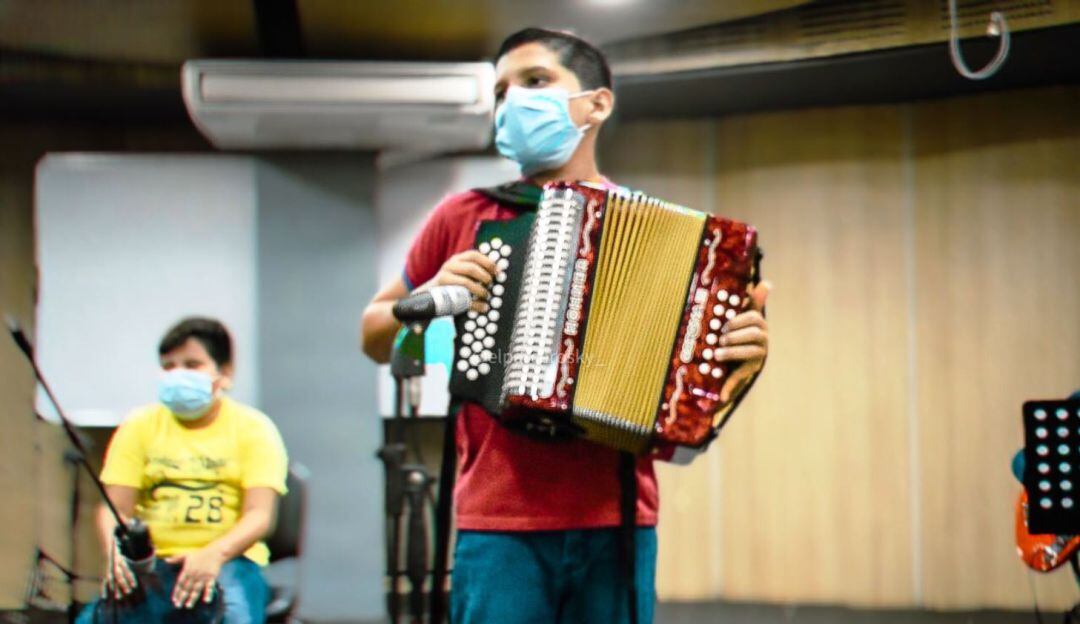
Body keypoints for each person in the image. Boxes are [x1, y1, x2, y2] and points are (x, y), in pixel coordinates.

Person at [361, 27, 770, 624]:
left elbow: (689, 412)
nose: (512, 102)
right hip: (498, 525)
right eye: (501, 92)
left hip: (617, 518)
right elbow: (373, 333)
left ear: (597, 103)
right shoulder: (464, 216)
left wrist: (737, 362)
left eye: (535, 81)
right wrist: (424, 298)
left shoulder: (665, 242)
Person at [78, 317, 288, 624]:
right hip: (153, 564)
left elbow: (259, 515)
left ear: (225, 373)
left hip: (231, 562)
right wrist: (114, 551)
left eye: (192, 364)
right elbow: (114, 508)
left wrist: (213, 554)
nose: (178, 375)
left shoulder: (255, 429)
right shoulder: (138, 426)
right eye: (168, 366)